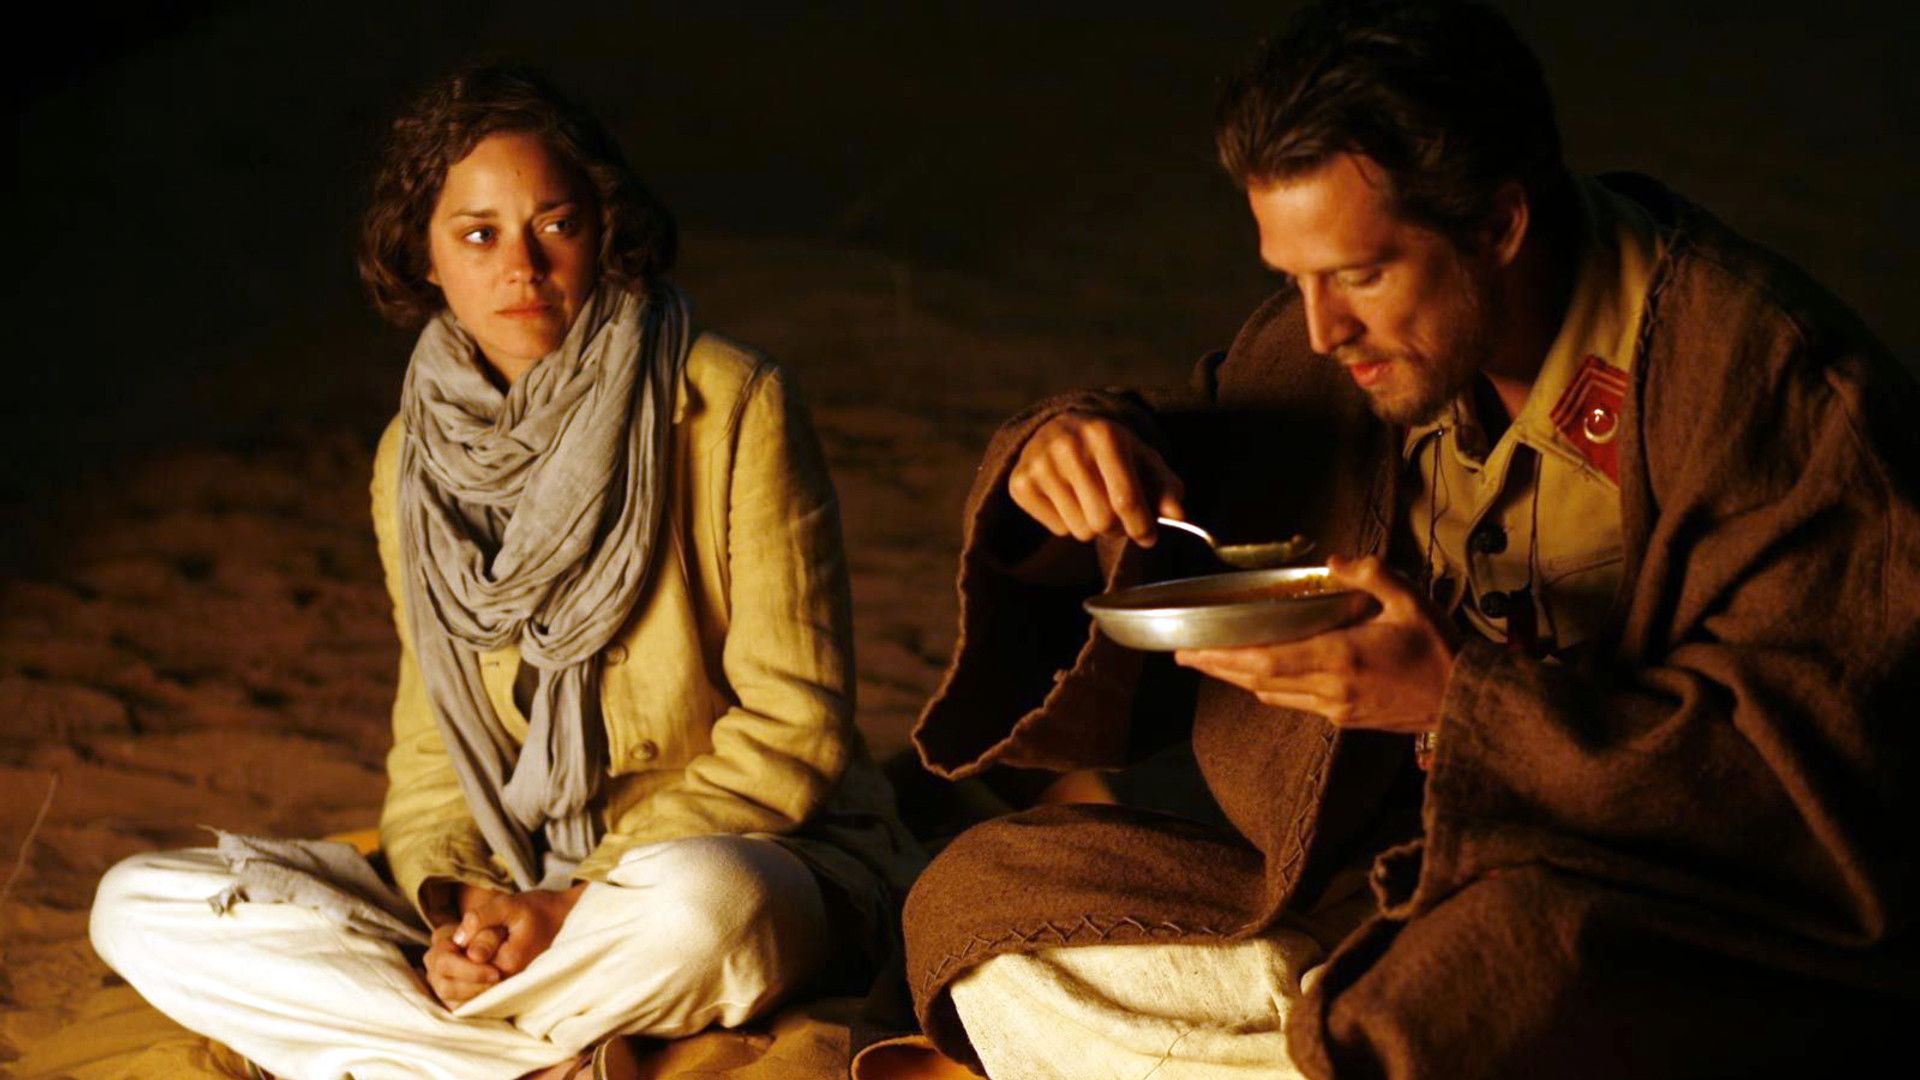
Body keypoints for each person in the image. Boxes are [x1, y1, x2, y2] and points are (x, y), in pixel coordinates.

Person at [896, 2, 1919, 1077]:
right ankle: (1325, 1034)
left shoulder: (1776, 395)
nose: (1322, 330)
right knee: (979, 900)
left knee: (1489, 979)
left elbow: (1822, 795)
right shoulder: (1356, 346)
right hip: (1385, 874)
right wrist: (1068, 453)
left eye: (1360, 274)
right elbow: (1211, 443)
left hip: (1651, 906)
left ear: (1500, 225)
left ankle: (1333, 1032)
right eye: (1291, 279)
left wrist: (1455, 701)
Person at [88, 65, 916, 1080]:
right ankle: (517, 1051)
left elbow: (796, 722)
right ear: (425, 257)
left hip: (724, 861)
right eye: (478, 235)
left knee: (709, 912)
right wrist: (465, 908)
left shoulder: (732, 400)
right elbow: (431, 754)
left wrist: (575, 901)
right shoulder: (410, 459)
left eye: (554, 225)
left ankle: (431, 1046)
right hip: (516, 880)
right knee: (136, 905)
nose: (521, 266)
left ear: (604, 230)